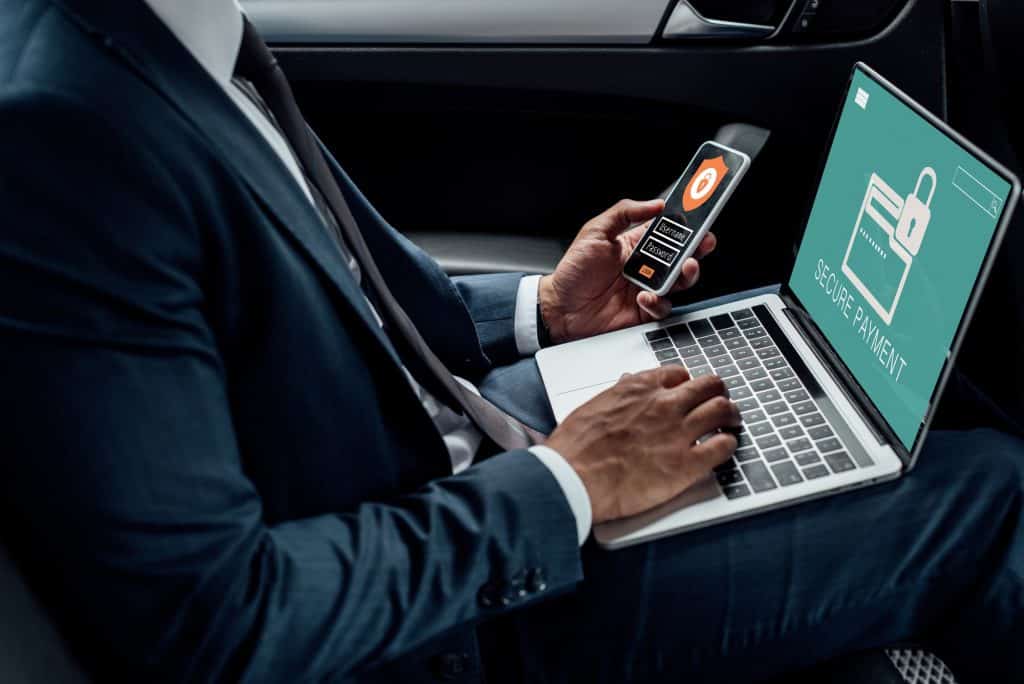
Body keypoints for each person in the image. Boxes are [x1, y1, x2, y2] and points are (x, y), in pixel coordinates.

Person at [0, 1, 1021, 682]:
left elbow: (334, 299)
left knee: (876, 389)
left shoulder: (170, 32)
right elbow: (221, 628)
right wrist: (572, 483)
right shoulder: (62, 130)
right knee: (992, 485)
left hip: (454, 455)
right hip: (446, 603)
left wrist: (543, 314)